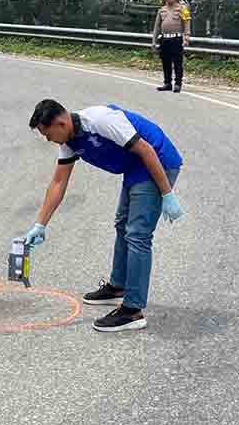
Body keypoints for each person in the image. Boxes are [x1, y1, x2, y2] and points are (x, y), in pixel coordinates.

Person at [25, 99, 185, 333]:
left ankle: (133, 311)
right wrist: (40, 225)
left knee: (138, 234)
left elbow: (146, 149)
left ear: (60, 122)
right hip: (134, 167)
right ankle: (118, 286)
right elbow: (59, 182)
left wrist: (167, 194)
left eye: (48, 135)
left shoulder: (100, 120)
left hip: (156, 162)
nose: (49, 140)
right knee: (122, 225)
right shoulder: (69, 140)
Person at [151, 0, 191, 93]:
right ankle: (167, 83)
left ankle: (178, 84)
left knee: (178, 62)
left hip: (177, 38)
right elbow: (157, 27)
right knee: (165, 62)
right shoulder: (161, 10)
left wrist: (186, 36)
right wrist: (154, 41)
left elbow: (187, 23)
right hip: (165, 39)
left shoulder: (182, 8)